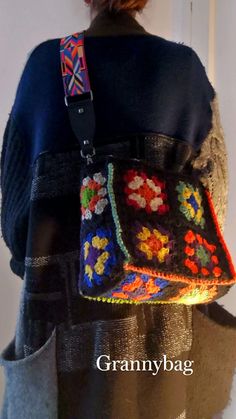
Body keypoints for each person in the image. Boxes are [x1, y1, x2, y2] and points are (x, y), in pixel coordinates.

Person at [1, 1, 236, 418]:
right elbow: (212, 209)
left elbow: (17, 222)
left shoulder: (45, 67)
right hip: (161, 347)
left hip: (59, 338)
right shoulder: (183, 69)